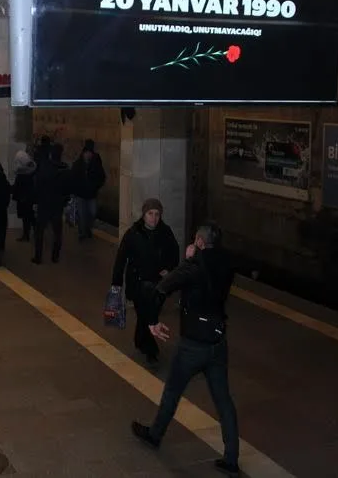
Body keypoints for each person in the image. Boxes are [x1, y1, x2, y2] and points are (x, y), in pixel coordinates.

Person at [130, 222, 240, 478]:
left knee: (172, 391)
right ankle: (231, 458)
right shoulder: (226, 263)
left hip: (193, 344)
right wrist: (198, 256)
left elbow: (163, 287)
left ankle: (155, 435)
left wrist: (153, 322)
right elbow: (214, 266)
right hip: (217, 342)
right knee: (224, 400)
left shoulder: (193, 267)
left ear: (200, 242)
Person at [111, 198, 180, 365]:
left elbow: (174, 253)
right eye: (150, 214)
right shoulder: (133, 233)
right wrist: (117, 283)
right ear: (144, 214)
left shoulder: (165, 232)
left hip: (158, 284)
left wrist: (168, 268)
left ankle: (139, 339)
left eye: (157, 214)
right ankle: (151, 350)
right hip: (138, 284)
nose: (154, 218)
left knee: (148, 315)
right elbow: (121, 259)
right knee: (146, 314)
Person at [33, 144, 70, 264]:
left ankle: (38, 256)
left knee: (39, 231)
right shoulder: (64, 169)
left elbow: (38, 185)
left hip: (44, 203)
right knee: (57, 232)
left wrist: (36, 200)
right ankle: (55, 256)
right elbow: (67, 188)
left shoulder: (44, 167)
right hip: (57, 205)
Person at [70, 139, 106, 240]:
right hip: (81, 194)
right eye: (87, 153)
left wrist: (96, 186)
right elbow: (73, 177)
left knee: (92, 212)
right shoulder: (78, 164)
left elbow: (102, 176)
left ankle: (87, 228)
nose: (88, 155)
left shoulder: (96, 162)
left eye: (90, 153)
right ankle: (82, 233)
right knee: (82, 214)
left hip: (91, 194)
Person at [11, 149, 37, 242]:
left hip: (23, 198)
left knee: (27, 217)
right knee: (29, 217)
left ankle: (27, 235)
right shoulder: (32, 170)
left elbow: (19, 186)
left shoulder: (23, 173)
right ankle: (33, 233)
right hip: (28, 198)